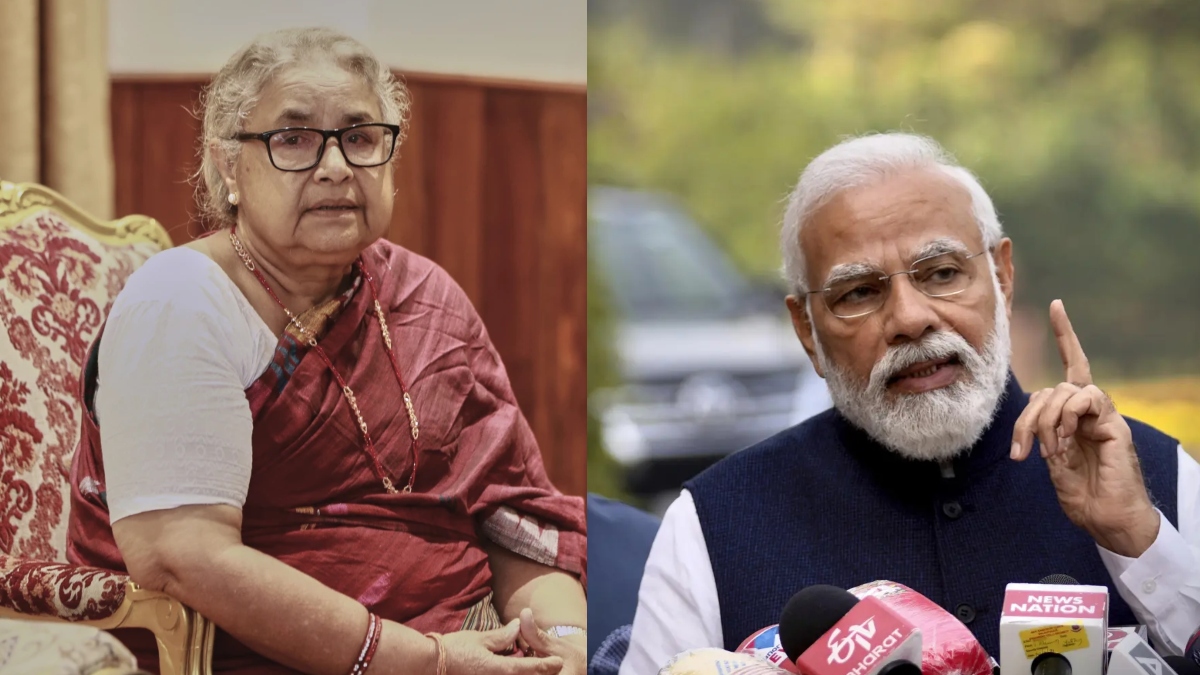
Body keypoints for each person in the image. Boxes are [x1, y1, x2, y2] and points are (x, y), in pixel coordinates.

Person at [65, 28, 586, 675]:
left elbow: (517, 516)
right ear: (229, 166)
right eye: (294, 139)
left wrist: (564, 641)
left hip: (475, 642)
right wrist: (428, 661)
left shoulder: (426, 297)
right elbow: (183, 554)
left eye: (361, 138)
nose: (336, 166)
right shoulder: (179, 304)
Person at [619, 132, 1200, 674]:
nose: (910, 319)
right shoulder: (716, 524)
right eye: (860, 292)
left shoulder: (1159, 476)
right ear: (806, 331)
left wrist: (1140, 541)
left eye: (942, 273)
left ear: (1001, 275)